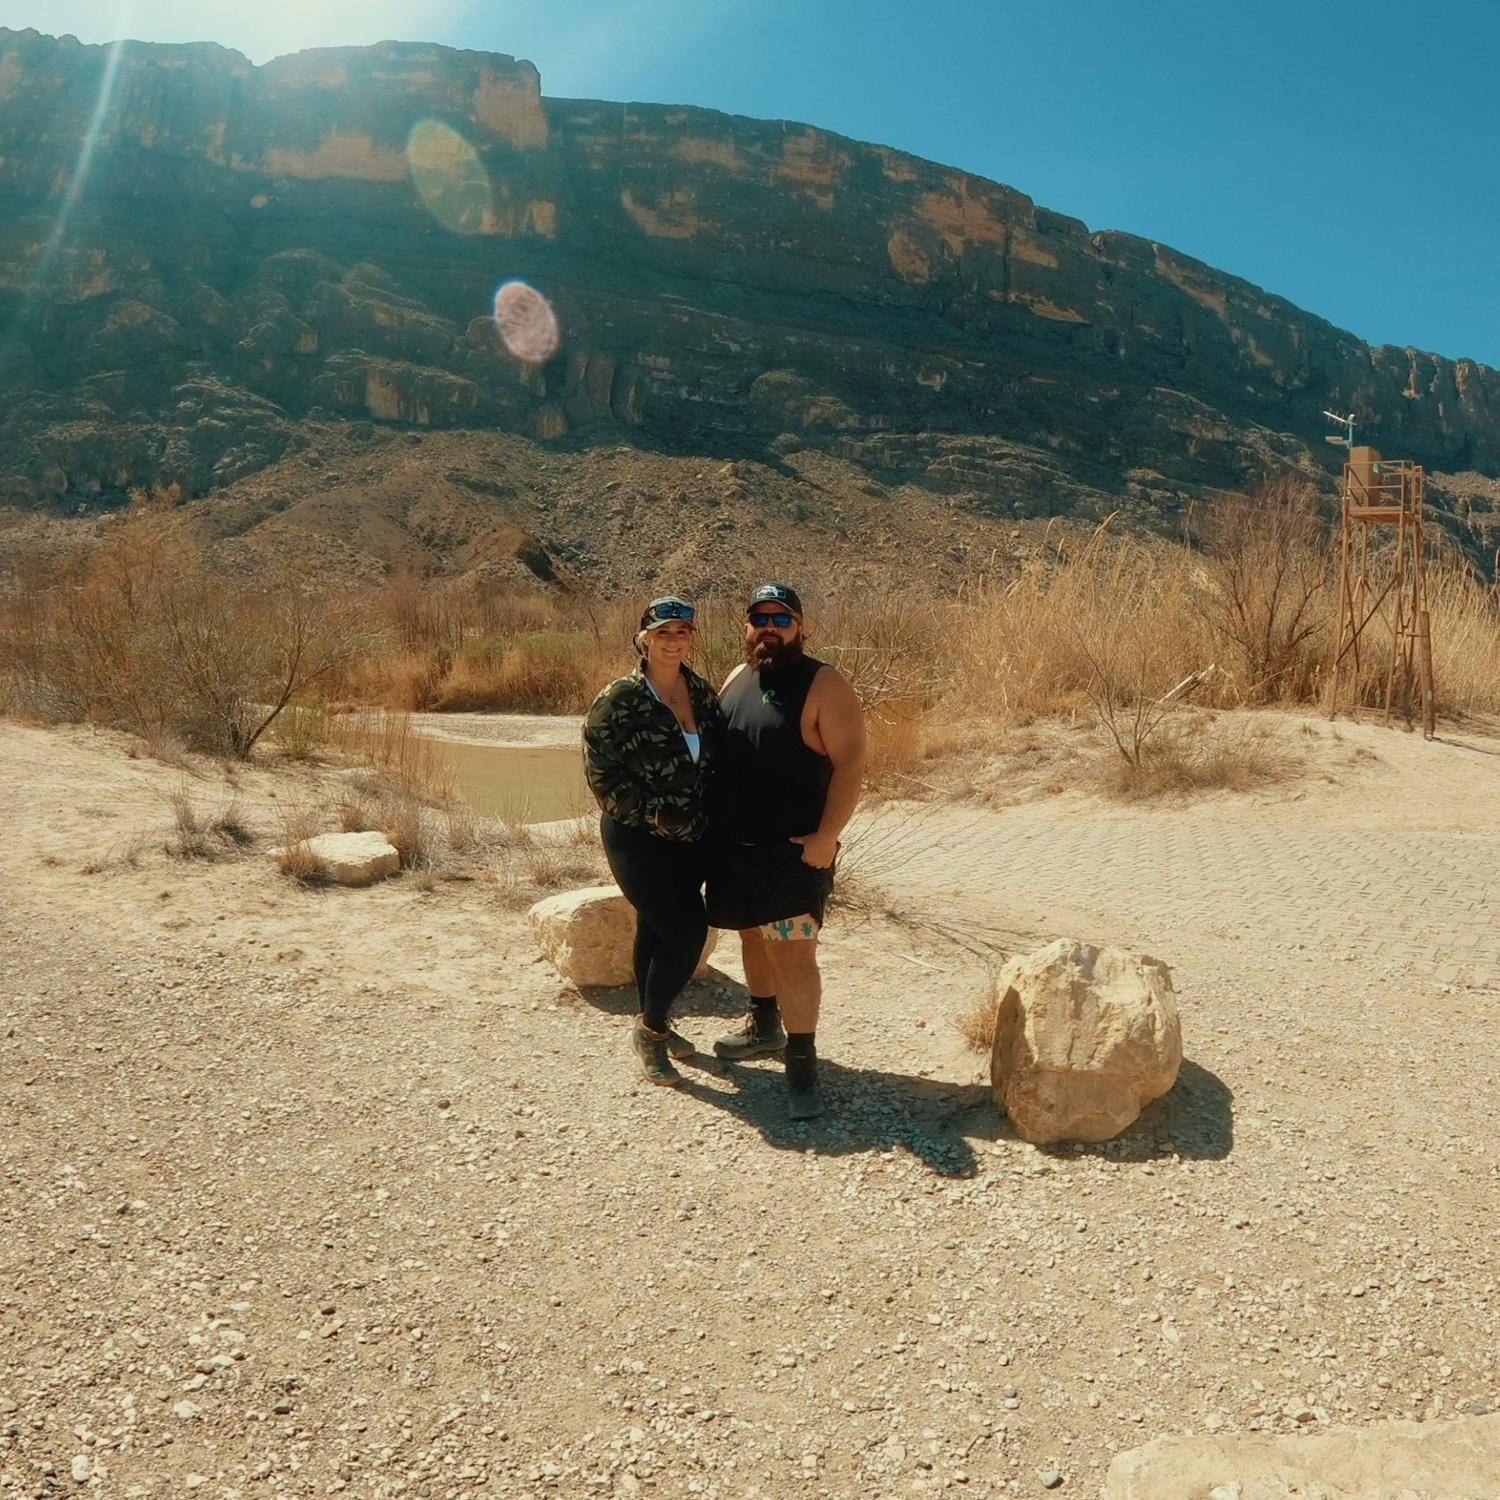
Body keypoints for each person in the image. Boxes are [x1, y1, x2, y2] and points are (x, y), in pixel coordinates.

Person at [706, 583, 866, 1119]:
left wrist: (827, 836)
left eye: (782, 618)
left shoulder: (825, 684)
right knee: (751, 933)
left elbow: (850, 766)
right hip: (734, 848)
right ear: (746, 626)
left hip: (793, 853)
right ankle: (763, 1024)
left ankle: (802, 1066)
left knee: (793, 953)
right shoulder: (737, 677)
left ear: (801, 627)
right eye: (759, 617)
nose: (769, 626)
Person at [583, 595, 724, 1087]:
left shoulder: (701, 692)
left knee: (656, 930)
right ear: (642, 640)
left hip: (695, 839)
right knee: (687, 930)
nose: (673, 641)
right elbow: (603, 778)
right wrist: (657, 815)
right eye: (663, 632)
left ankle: (654, 1020)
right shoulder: (617, 701)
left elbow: (721, 759)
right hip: (638, 840)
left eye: (682, 632)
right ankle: (652, 1031)